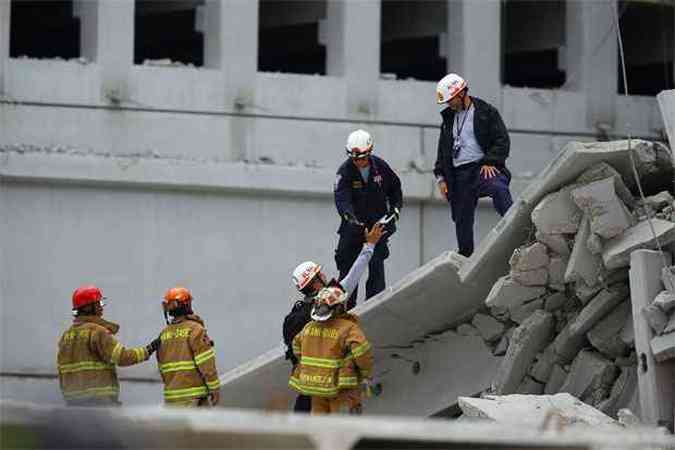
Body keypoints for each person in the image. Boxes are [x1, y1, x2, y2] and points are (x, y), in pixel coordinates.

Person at [284, 223, 385, 413]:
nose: (325, 275)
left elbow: (295, 348)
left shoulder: (298, 315)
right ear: (315, 283)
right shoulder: (332, 298)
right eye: (320, 274)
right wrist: (369, 245)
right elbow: (354, 275)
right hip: (331, 386)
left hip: (307, 383)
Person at [433, 73, 513, 257]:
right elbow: (442, 152)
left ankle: (513, 224)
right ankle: (465, 254)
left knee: (498, 187)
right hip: (458, 175)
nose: (449, 104)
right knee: (461, 217)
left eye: (451, 100)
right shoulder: (448, 120)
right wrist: (441, 178)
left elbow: (502, 140)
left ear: (461, 94)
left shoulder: (486, 112)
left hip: (481, 167)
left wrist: (491, 161)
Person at [57, 284, 160, 406]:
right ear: (88, 308)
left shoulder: (66, 336)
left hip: (73, 402)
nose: (102, 307)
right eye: (98, 304)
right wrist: (148, 350)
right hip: (99, 401)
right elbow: (122, 357)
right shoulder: (96, 332)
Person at [334, 129, 403, 309]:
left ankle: (374, 309)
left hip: (378, 230)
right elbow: (342, 200)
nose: (358, 162)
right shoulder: (344, 172)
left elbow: (396, 189)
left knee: (376, 271)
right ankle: (345, 312)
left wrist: (395, 210)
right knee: (348, 273)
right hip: (353, 232)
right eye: (354, 159)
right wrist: (352, 219)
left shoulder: (381, 167)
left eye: (362, 158)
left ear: (370, 151)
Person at [288, 285, 374, 415]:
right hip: (339, 387)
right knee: (341, 424)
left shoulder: (308, 328)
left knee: (319, 421)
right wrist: (366, 373)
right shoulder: (349, 328)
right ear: (339, 307)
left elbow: (296, 346)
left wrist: (309, 364)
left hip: (315, 387)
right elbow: (361, 352)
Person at [156, 286, 220, 407]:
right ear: (187, 305)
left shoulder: (164, 334)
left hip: (171, 401)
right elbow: (206, 363)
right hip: (194, 400)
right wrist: (214, 388)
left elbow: (162, 368)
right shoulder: (196, 330)